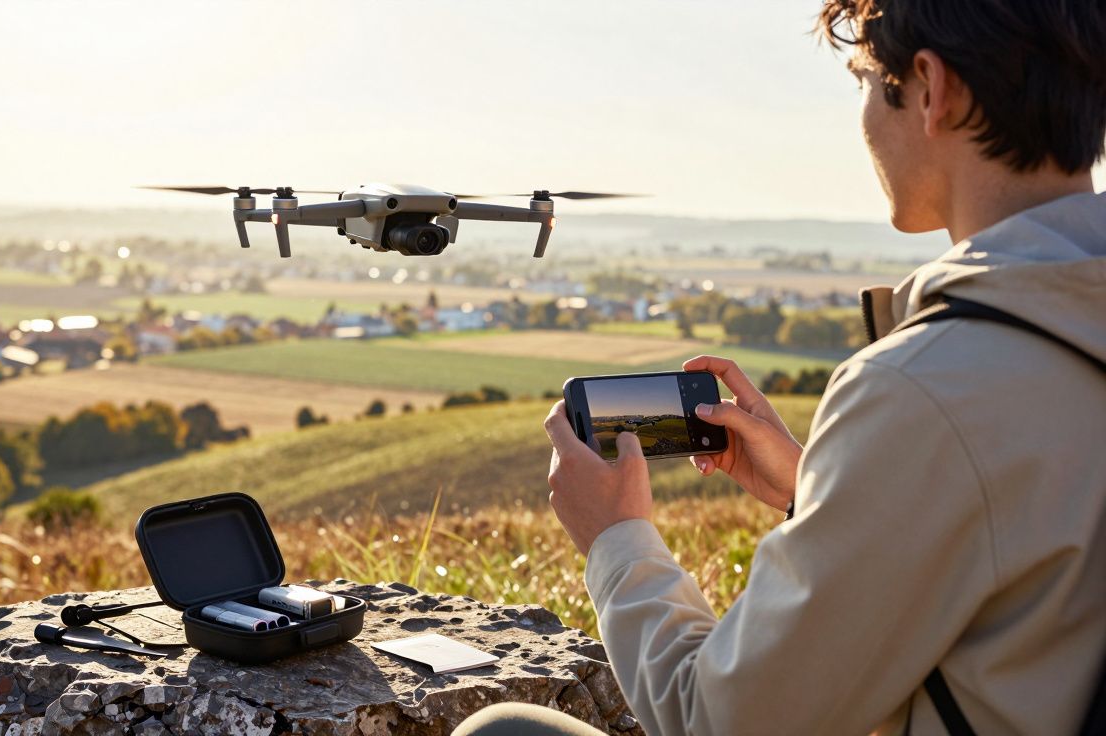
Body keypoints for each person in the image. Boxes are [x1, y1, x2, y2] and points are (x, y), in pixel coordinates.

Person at [455, 1, 1105, 734]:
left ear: (932, 88)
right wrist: (823, 496)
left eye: (865, 78)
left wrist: (616, 539)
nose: (863, 116)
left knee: (503, 730)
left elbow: (718, 718)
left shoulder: (929, 388)